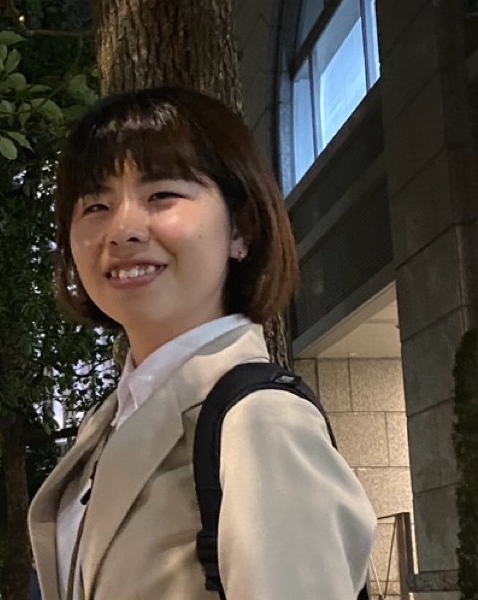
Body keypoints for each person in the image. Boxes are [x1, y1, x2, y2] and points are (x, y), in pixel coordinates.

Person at [28, 87, 376, 600]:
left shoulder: (261, 422)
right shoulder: (111, 421)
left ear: (241, 229)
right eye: (96, 205)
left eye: (161, 195)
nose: (122, 230)